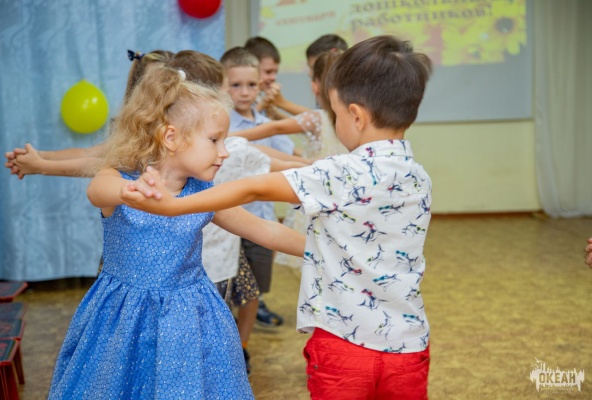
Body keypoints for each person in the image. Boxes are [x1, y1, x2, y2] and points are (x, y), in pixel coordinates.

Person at [122, 34, 434, 400]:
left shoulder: (341, 172)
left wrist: (173, 205)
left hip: (345, 345)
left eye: (335, 114)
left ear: (356, 116)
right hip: (409, 346)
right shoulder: (419, 177)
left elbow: (254, 188)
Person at [49, 66, 305, 399]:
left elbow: (265, 230)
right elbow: (98, 190)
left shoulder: (203, 194)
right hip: (123, 320)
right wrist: (129, 192)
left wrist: (325, 250)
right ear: (171, 138)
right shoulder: (121, 178)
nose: (225, 151)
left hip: (189, 321)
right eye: (214, 140)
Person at [230, 49, 348, 269]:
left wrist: (226, 137)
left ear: (315, 85)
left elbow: (275, 128)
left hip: (312, 193)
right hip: (341, 195)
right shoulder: (349, 119)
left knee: (317, 254)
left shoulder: (317, 117)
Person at [4, 50, 174, 179]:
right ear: (137, 90)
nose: (161, 89)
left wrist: (42, 166)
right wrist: (40, 156)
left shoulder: (173, 128)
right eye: (153, 83)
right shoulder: (139, 128)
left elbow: (103, 165)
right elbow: (90, 154)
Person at [220, 46, 292, 328]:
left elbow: (285, 156)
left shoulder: (267, 123)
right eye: (236, 85)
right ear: (223, 85)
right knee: (226, 288)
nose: (245, 92)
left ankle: (244, 342)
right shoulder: (221, 125)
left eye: (252, 85)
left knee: (253, 291)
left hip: (262, 219)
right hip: (229, 223)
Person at [244, 36, 310, 119]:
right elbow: (242, 124)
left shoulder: (260, 98)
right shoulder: (240, 98)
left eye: (275, 72)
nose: (273, 77)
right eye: (268, 72)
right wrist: (261, 106)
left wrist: (273, 112)